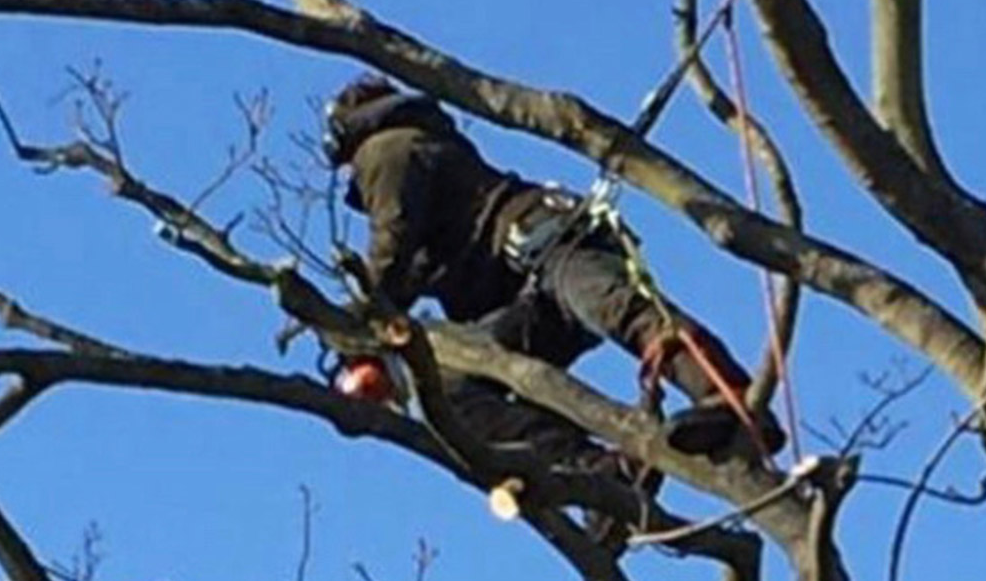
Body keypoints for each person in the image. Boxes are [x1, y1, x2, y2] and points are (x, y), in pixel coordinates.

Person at [322, 74, 785, 460]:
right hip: (521, 295)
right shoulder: (420, 152)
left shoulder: (386, 149)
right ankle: (591, 471)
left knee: (621, 309)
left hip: (550, 245)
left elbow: (391, 248)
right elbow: (406, 274)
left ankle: (727, 396)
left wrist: (354, 332)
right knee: (454, 393)